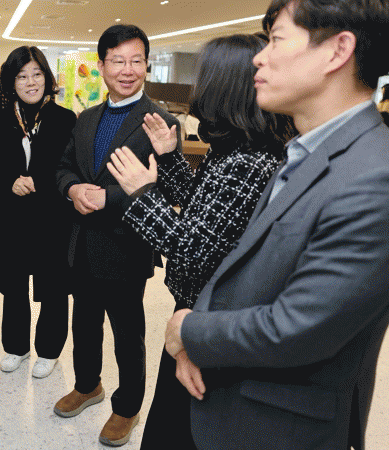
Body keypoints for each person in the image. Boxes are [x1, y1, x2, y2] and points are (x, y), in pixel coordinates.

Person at [163, 0, 389, 448]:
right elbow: (239, 262)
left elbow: (300, 327)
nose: (259, 58)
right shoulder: (305, 152)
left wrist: (189, 330)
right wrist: (197, 342)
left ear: (337, 50)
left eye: (277, 40)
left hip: (282, 428)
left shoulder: (374, 175)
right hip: (234, 403)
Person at [106, 34, 294, 449]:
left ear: (224, 86)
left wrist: (142, 194)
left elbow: (193, 249)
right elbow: (201, 211)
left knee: (179, 431)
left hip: (210, 317)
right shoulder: (233, 148)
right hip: (194, 312)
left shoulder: (250, 162)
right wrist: (169, 156)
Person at [54, 24, 181, 447]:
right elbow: (64, 168)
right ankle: (87, 385)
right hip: (82, 244)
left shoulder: (159, 122)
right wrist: (73, 189)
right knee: (84, 323)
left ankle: (127, 407)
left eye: (136, 61)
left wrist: (104, 197)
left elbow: (166, 190)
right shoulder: (87, 118)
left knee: (127, 333)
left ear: (146, 65)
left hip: (125, 246)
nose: (128, 70)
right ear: (102, 65)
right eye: (118, 61)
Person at [0, 46, 76, 379]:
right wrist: (10, 181)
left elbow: (70, 166)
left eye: (36, 74)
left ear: (47, 78)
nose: (30, 82)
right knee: (14, 284)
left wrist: (39, 181)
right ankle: (16, 347)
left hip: (52, 217)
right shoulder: (3, 118)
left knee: (54, 286)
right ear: (11, 82)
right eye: (22, 76)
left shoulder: (65, 118)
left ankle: (49, 351)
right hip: (14, 216)